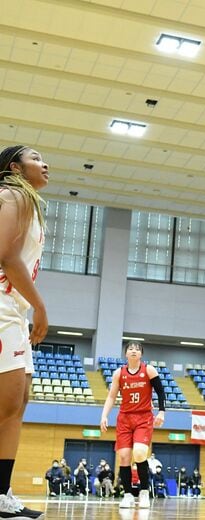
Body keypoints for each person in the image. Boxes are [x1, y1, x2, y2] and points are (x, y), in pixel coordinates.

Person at [0, 145, 49, 519]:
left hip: (14, 310)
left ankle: (1, 493)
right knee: (6, 404)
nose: (44, 164)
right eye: (35, 158)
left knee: (16, 404)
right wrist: (40, 306)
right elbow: (6, 255)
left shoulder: (28, 201)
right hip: (3, 304)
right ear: (15, 168)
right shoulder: (13, 194)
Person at [100, 342, 166, 509]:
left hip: (143, 417)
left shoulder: (149, 370)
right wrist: (104, 416)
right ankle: (128, 495)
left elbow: (160, 391)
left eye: (137, 349)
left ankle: (144, 492)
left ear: (141, 354)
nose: (134, 351)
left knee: (139, 453)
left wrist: (161, 412)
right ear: (126, 354)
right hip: (125, 418)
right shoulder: (119, 373)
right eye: (130, 349)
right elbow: (111, 397)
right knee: (123, 456)